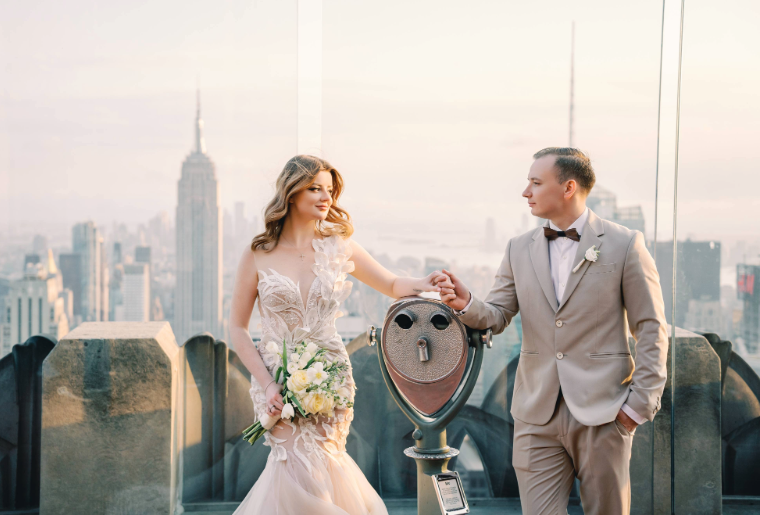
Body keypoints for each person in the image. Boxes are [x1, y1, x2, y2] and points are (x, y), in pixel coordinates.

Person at [437, 147, 668, 515]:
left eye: (535, 182)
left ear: (568, 187)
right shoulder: (518, 248)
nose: (525, 192)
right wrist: (466, 302)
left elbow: (651, 328)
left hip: (605, 412)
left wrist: (637, 408)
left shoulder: (625, 244)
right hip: (535, 413)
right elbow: (497, 314)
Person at [230, 155, 447, 515]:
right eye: (315, 188)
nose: (325, 196)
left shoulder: (339, 246)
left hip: (331, 378)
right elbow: (236, 327)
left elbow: (391, 283)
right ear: (291, 192)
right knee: (297, 470)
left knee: (326, 466)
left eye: (329, 189)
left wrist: (424, 285)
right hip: (276, 383)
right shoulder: (258, 253)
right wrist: (268, 385)